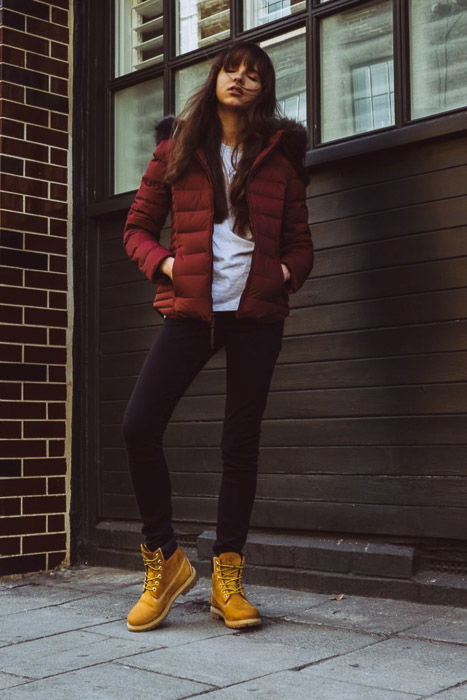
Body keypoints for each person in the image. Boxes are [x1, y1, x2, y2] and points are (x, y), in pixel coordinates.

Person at [122, 40, 313, 633]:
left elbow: (301, 244)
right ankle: (166, 560)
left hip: (256, 314)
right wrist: (168, 266)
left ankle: (228, 578)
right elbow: (135, 228)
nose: (241, 79)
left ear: (264, 89)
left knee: (241, 443)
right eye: (232, 69)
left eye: (254, 74)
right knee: (138, 425)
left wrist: (283, 274)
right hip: (191, 309)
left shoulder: (280, 161)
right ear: (216, 78)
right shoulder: (177, 149)